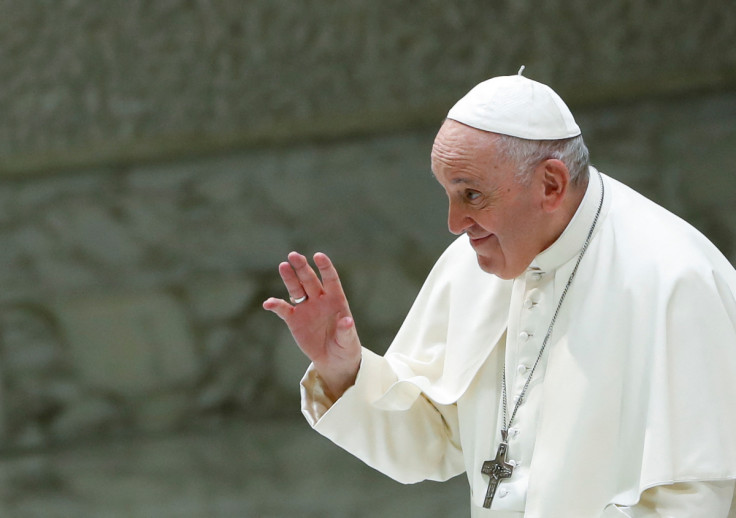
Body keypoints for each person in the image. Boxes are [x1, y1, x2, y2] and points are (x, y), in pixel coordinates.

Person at [263, 69, 736, 517]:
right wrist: (342, 366)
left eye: (471, 195)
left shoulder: (674, 278)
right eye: (447, 193)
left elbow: (694, 492)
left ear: (550, 184)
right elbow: (432, 441)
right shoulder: (471, 264)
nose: (453, 224)